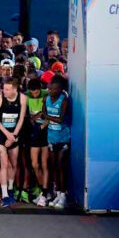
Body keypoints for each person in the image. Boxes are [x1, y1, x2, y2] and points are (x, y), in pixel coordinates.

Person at [0, 78, 27, 207]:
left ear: (15, 89)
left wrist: (14, 135)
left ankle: (11, 189)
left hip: (14, 133)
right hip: (2, 132)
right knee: (4, 163)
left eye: (7, 89)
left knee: (13, 163)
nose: (4, 91)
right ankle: (4, 194)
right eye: (3, 88)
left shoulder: (23, 98)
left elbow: (21, 118)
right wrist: (7, 135)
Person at [43, 76, 71, 208]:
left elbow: (60, 119)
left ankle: (64, 195)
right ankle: (58, 194)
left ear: (60, 89)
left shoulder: (63, 100)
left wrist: (46, 117)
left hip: (63, 138)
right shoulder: (46, 99)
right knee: (54, 167)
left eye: (54, 89)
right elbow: (44, 112)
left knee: (61, 167)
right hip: (51, 137)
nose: (50, 91)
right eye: (49, 88)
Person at [25, 78, 50, 206]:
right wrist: (33, 122)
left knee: (44, 164)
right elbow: (29, 116)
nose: (35, 94)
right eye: (32, 93)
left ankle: (45, 193)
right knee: (35, 164)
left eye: (37, 92)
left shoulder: (46, 94)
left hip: (45, 132)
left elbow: (49, 115)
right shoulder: (26, 96)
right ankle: (43, 190)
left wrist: (42, 126)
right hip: (34, 133)